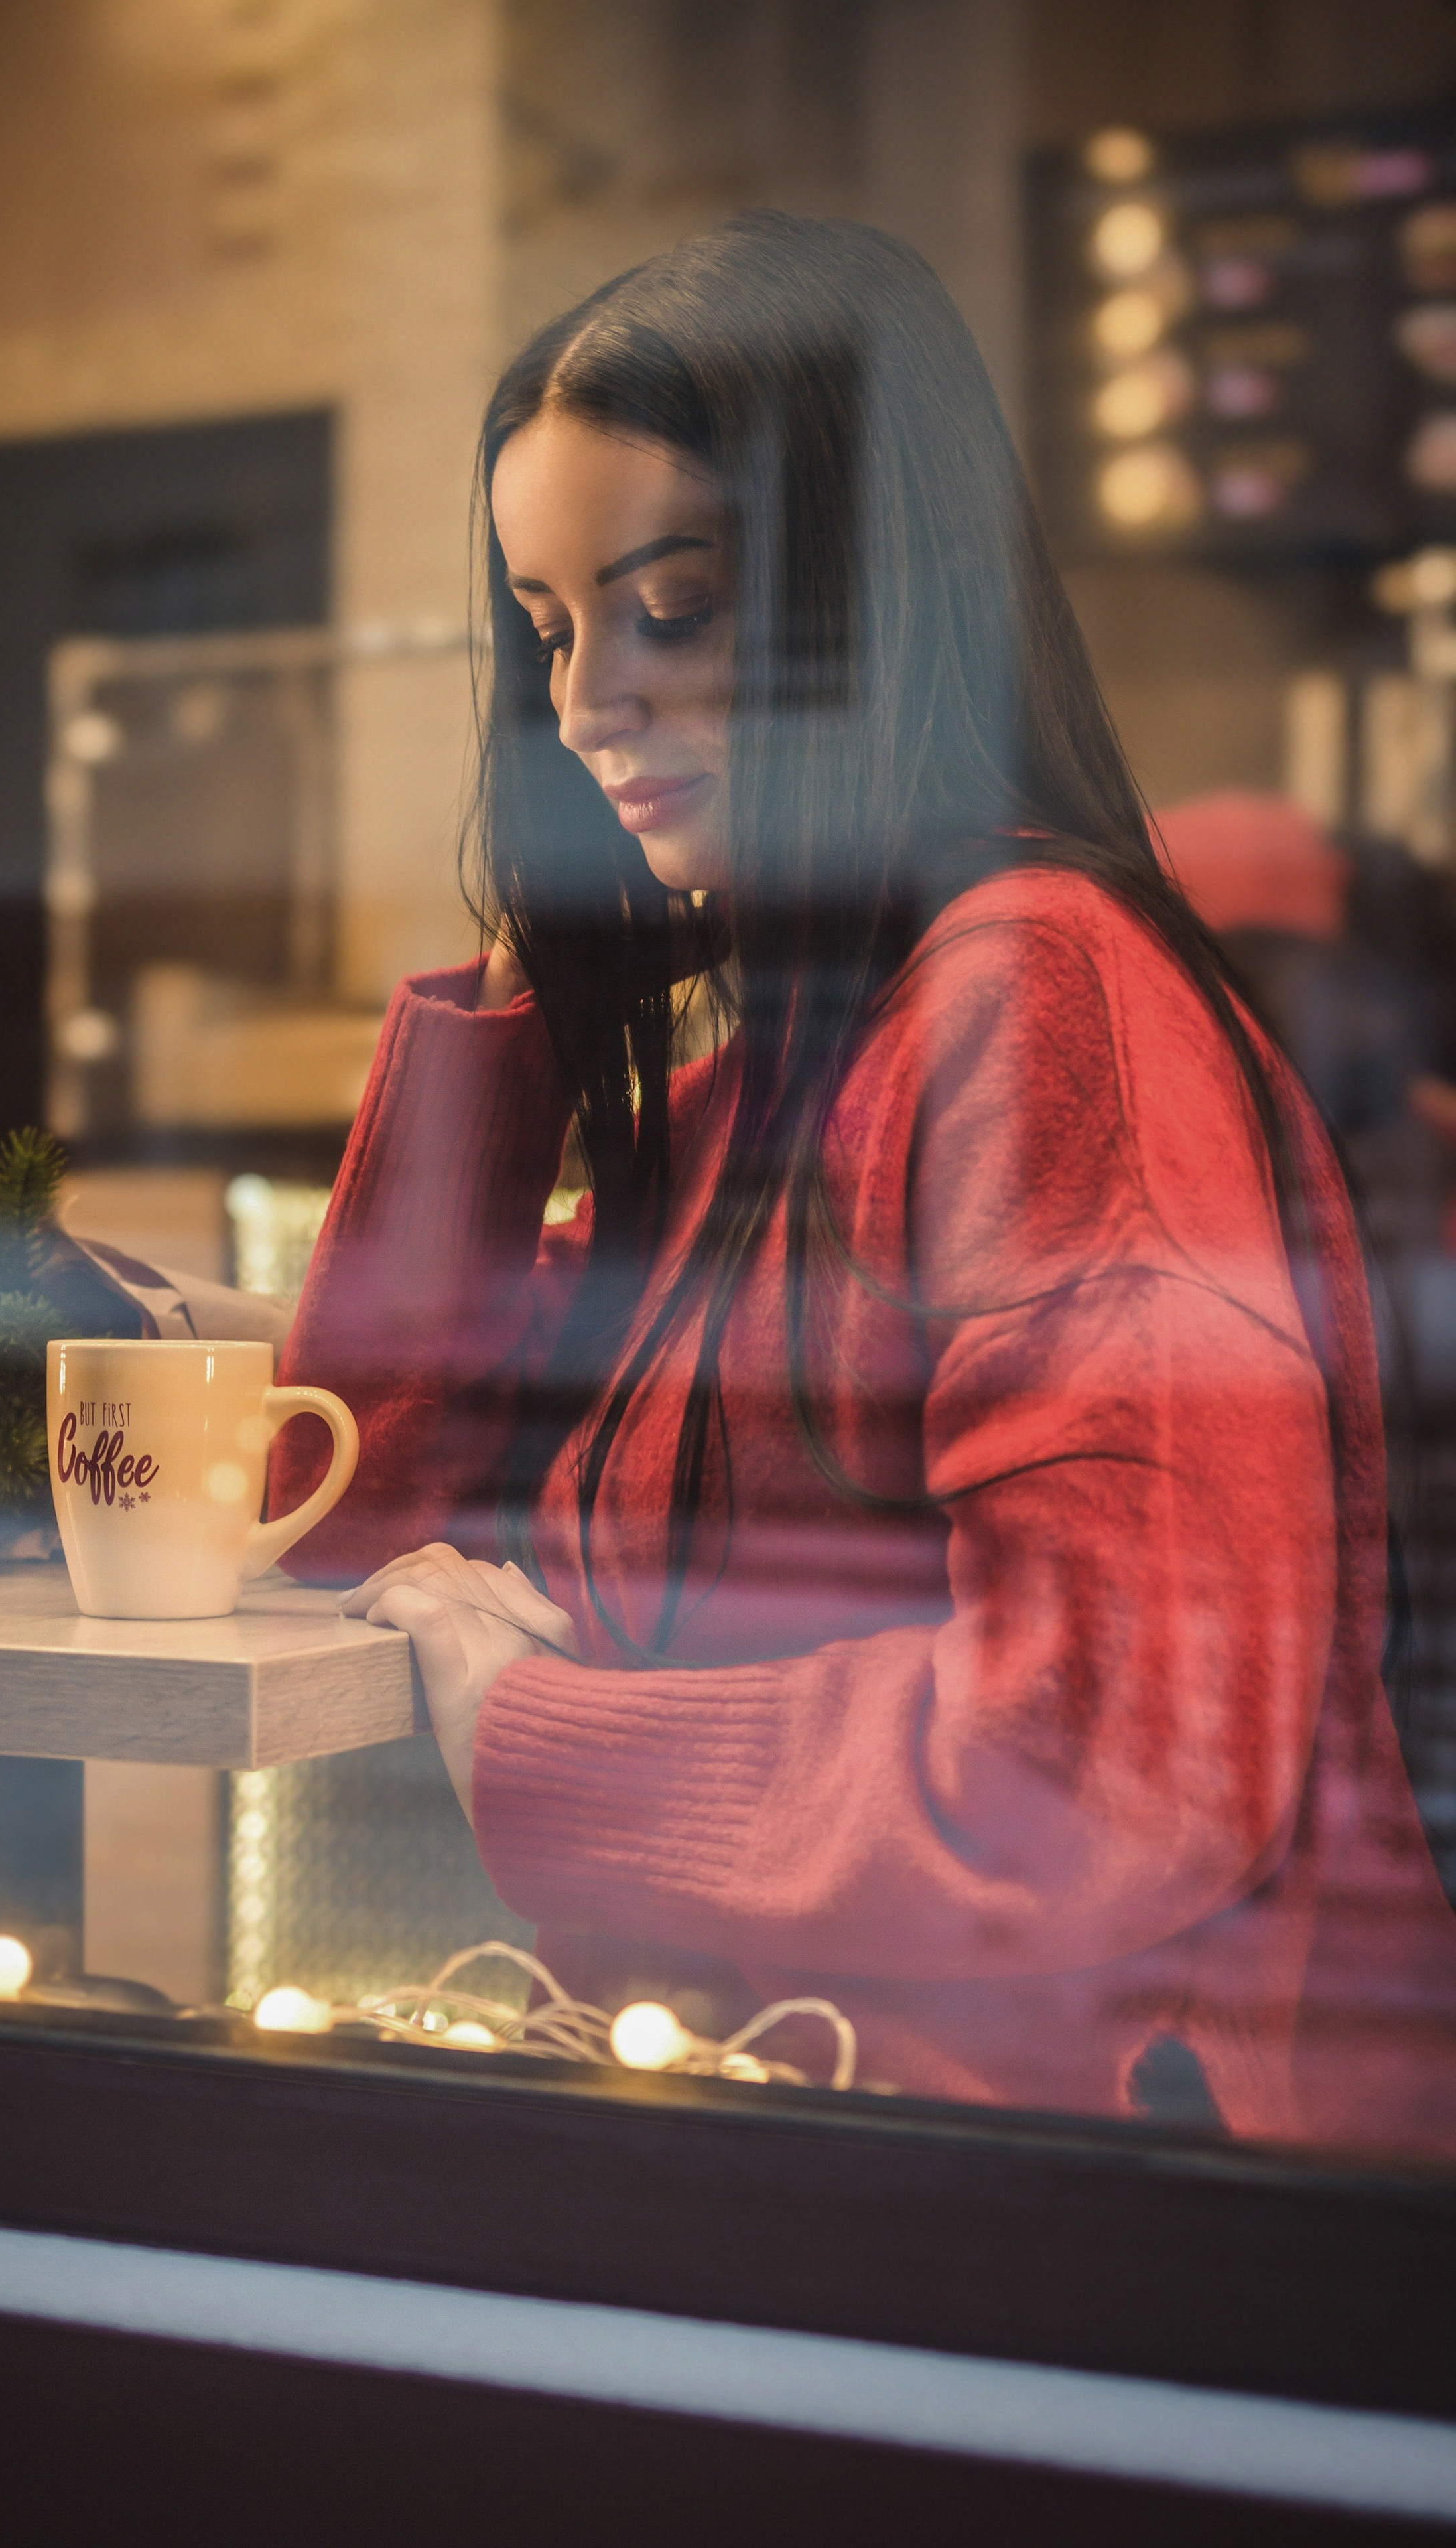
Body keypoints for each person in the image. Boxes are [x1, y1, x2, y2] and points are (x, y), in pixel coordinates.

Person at [271, 211, 1456, 2149]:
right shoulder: (782, 1080)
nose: (582, 711)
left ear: (874, 599)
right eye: (552, 632)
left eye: (673, 608)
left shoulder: (1034, 1000)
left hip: (1077, 2217)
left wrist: (540, 1734)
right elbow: (334, 1526)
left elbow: (1113, 1767)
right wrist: (517, 1033)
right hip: (810, 2160)